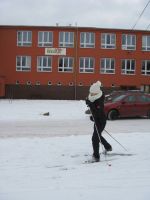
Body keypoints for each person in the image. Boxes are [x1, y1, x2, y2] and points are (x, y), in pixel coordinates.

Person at [86, 81, 112, 162]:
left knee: (95, 138)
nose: (92, 94)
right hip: (97, 120)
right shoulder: (93, 97)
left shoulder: (100, 100)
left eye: (93, 93)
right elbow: (93, 110)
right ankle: (108, 147)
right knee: (97, 136)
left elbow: (98, 111)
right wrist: (92, 117)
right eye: (91, 93)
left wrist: (90, 104)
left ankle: (96, 156)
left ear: (97, 93)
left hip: (101, 121)